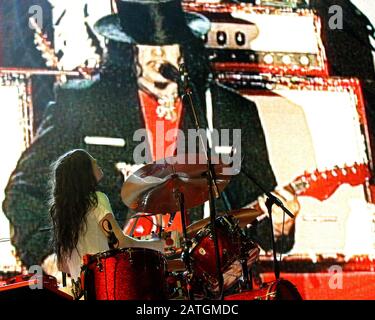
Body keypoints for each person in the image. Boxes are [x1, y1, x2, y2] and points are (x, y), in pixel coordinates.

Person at [3, 0, 277, 267]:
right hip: (109, 278)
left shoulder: (229, 111)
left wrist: (277, 227)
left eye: (167, 45)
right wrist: (49, 255)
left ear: (184, 50)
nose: (157, 56)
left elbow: (257, 215)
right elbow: (24, 190)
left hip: (200, 286)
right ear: (127, 49)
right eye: (145, 45)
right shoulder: (82, 105)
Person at [49, 149, 164, 283]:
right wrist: (157, 245)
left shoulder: (62, 213)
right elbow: (120, 243)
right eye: (93, 162)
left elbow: (62, 265)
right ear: (84, 172)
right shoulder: (96, 200)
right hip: (106, 286)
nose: (97, 163)